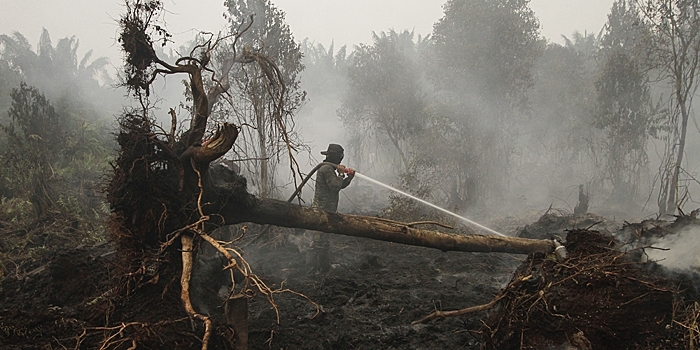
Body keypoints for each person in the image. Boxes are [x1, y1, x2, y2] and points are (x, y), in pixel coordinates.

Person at [307, 143, 355, 273]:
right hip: (321, 211)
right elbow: (334, 186)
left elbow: (337, 187)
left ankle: (324, 268)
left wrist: (348, 178)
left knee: (324, 241)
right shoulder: (327, 169)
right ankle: (311, 269)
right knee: (317, 242)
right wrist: (340, 174)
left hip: (327, 211)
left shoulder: (329, 168)